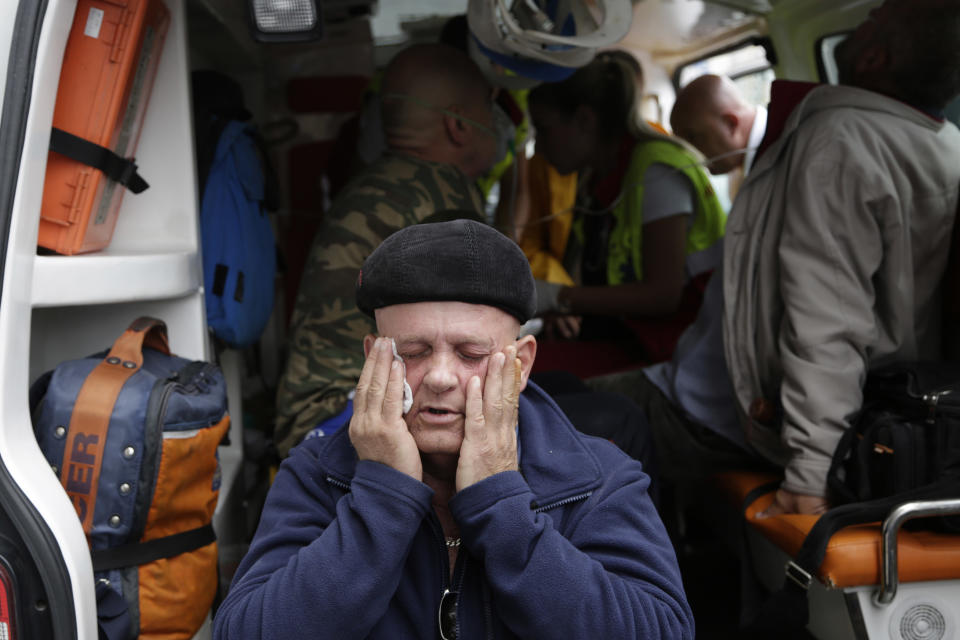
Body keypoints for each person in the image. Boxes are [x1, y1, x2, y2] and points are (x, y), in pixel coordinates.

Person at [213, 220, 694, 639]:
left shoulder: (598, 479)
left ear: (522, 363)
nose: (441, 378)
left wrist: (500, 502)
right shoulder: (318, 474)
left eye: (471, 354)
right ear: (372, 359)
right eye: (414, 351)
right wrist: (383, 496)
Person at [724, 0, 960, 516]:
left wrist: (810, 473)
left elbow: (827, 319)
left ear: (875, 59)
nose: (867, 14)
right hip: (895, 412)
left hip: (829, 431)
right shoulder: (947, 145)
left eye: (874, 18)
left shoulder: (839, 141)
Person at [273, 43, 497, 456]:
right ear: (459, 124)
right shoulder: (444, 197)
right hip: (342, 417)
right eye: (489, 106)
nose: (497, 122)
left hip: (308, 411)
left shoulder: (379, 184)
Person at [528, 54, 727, 370]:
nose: (538, 147)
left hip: (680, 352)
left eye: (543, 129)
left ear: (584, 120)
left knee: (523, 374)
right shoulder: (599, 178)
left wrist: (558, 297)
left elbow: (663, 296)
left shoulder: (656, 170)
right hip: (633, 336)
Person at [670, 74, 767, 177]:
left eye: (693, 138)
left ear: (731, 124)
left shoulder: (780, 155)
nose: (689, 154)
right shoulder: (743, 170)